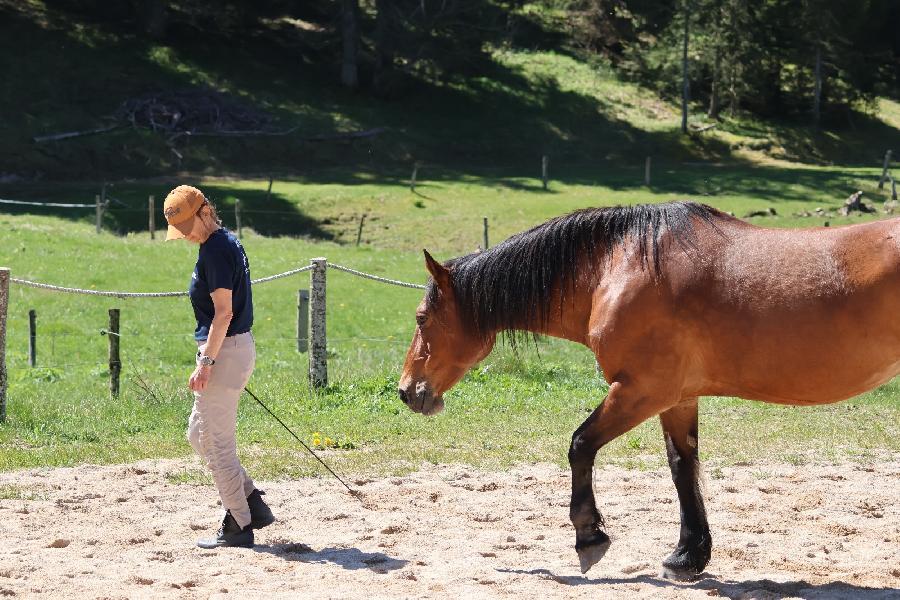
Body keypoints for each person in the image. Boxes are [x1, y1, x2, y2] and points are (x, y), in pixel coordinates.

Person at [163, 184, 275, 548]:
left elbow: (223, 313)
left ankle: (239, 526)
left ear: (205, 211)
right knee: (198, 436)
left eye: (186, 226)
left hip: (224, 351)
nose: (184, 236)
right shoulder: (226, 241)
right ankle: (252, 504)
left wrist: (207, 362)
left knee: (216, 444)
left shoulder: (213, 250)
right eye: (178, 230)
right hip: (234, 350)